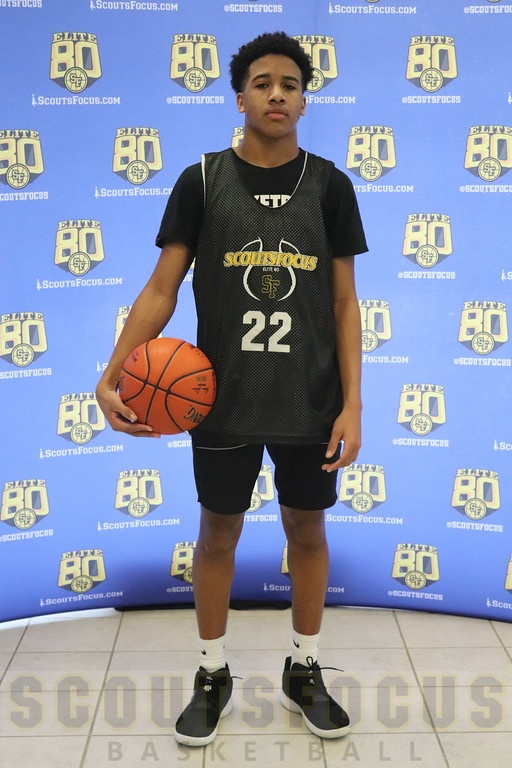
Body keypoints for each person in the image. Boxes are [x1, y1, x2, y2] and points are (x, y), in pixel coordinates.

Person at [96, 31, 367, 748]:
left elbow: (345, 302)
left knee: (308, 530)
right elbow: (162, 287)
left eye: (290, 84)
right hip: (219, 398)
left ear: (305, 101)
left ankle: (304, 668)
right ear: (239, 97)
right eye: (262, 83)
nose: (277, 94)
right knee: (218, 533)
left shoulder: (331, 186)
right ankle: (213, 672)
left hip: (310, 397)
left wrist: (353, 402)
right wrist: (113, 369)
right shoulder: (202, 181)